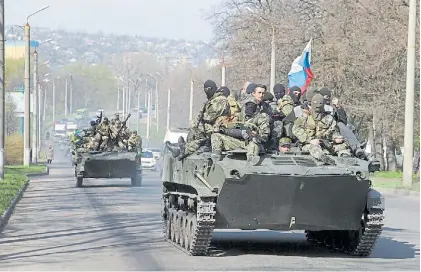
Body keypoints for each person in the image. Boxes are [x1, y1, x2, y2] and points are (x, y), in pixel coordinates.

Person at [292, 94, 351, 165]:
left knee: (343, 146)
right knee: (314, 148)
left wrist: (336, 139)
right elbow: (296, 129)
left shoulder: (329, 118)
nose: (318, 106)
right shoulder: (304, 117)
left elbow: (334, 131)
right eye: (316, 103)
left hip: (326, 143)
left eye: (320, 103)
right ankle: (324, 158)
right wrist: (309, 140)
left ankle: (345, 159)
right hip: (309, 144)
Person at [211, 96, 270, 166]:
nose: (249, 107)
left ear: (256, 107)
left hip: (254, 144)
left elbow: (265, 137)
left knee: (253, 142)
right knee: (215, 135)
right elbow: (229, 126)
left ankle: (251, 160)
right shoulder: (239, 117)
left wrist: (255, 135)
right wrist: (222, 129)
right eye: (247, 105)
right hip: (239, 142)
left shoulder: (261, 118)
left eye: (252, 105)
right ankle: (216, 155)